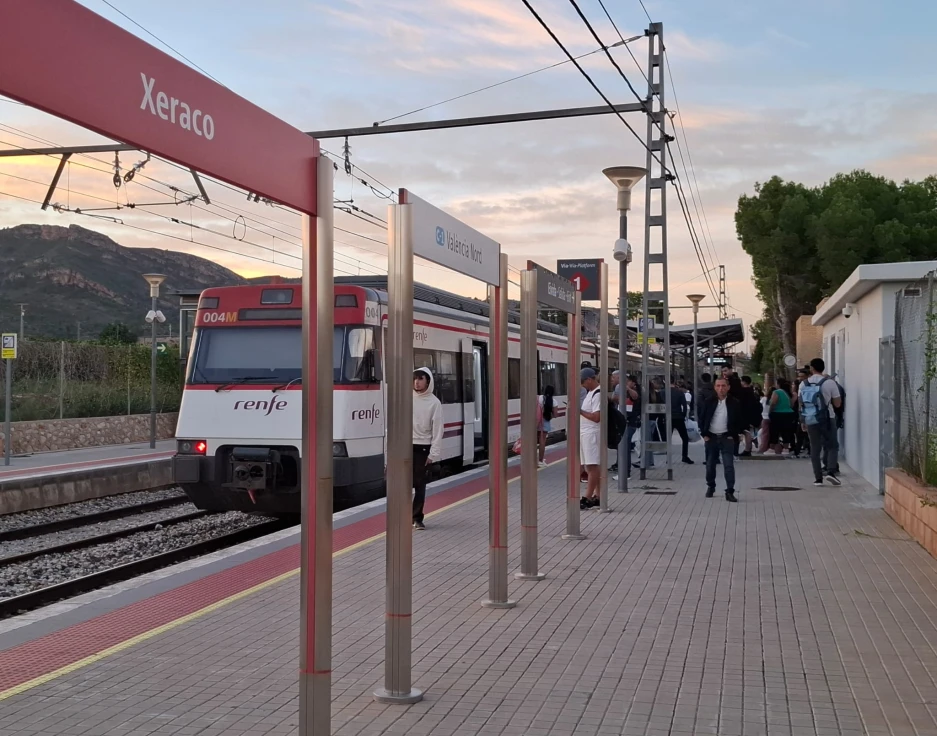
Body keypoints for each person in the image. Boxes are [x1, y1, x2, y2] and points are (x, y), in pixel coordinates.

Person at [698, 376, 742, 502]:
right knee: (710, 465)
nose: (721, 388)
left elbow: (739, 420)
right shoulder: (708, 401)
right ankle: (711, 486)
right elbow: (702, 418)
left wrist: (734, 435)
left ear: (728, 387)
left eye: (723, 386)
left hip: (726, 437)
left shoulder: (734, 402)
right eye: (718, 386)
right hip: (711, 437)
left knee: (729, 465)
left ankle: (730, 491)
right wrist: (704, 434)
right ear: (714, 387)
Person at [801, 357, 842, 487]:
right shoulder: (830, 383)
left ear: (812, 368)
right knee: (832, 445)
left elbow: (801, 404)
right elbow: (838, 403)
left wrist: (802, 421)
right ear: (823, 368)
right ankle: (830, 471)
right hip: (827, 418)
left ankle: (818, 479)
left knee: (815, 448)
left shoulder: (803, 384)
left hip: (810, 418)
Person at [412, 367, 443, 530]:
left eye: (420, 379)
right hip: (405, 446)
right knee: (402, 484)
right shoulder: (406, 398)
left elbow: (438, 430)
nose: (416, 382)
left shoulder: (434, 403)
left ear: (428, 381)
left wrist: (433, 454)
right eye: (414, 379)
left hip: (423, 448)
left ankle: (417, 518)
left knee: (419, 485)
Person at [579, 368, 602, 508]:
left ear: (589, 379)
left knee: (591, 466)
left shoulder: (598, 394)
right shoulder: (591, 393)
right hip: (586, 433)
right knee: (591, 466)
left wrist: (579, 411)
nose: (582, 385)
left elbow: (596, 417)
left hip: (592, 434)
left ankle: (587, 497)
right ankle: (597, 496)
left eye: (583, 382)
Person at [768, 377, 796, 454]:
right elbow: (791, 404)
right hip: (789, 414)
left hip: (777, 413)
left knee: (774, 431)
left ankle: (772, 449)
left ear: (778, 384)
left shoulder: (776, 392)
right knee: (786, 431)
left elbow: (773, 403)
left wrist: (770, 412)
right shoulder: (787, 393)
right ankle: (786, 449)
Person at [669, 377, 693, 464]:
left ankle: (668, 458)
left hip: (668, 418)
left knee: (668, 438)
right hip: (678, 417)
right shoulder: (679, 392)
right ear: (674, 382)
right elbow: (685, 406)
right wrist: (683, 415)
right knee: (684, 438)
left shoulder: (663, 392)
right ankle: (684, 456)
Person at [538, 385, 554, 467]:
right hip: (545, 422)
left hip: (537, 421)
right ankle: (540, 460)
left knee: (535, 441)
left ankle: (532, 459)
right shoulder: (553, 401)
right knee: (542, 442)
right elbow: (555, 414)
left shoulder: (539, 398)